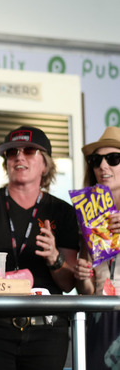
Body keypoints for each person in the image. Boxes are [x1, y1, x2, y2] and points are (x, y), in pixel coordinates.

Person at [0, 125, 80, 370]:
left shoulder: (62, 211)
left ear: (45, 164)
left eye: (29, 150)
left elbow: (68, 283)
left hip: (47, 330)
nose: (19, 156)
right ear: (6, 163)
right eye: (12, 153)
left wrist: (54, 257)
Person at [74, 126, 120, 369]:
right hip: (101, 318)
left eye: (113, 159)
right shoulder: (89, 212)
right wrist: (82, 277)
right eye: (96, 160)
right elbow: (89, 288)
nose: (103, 166)